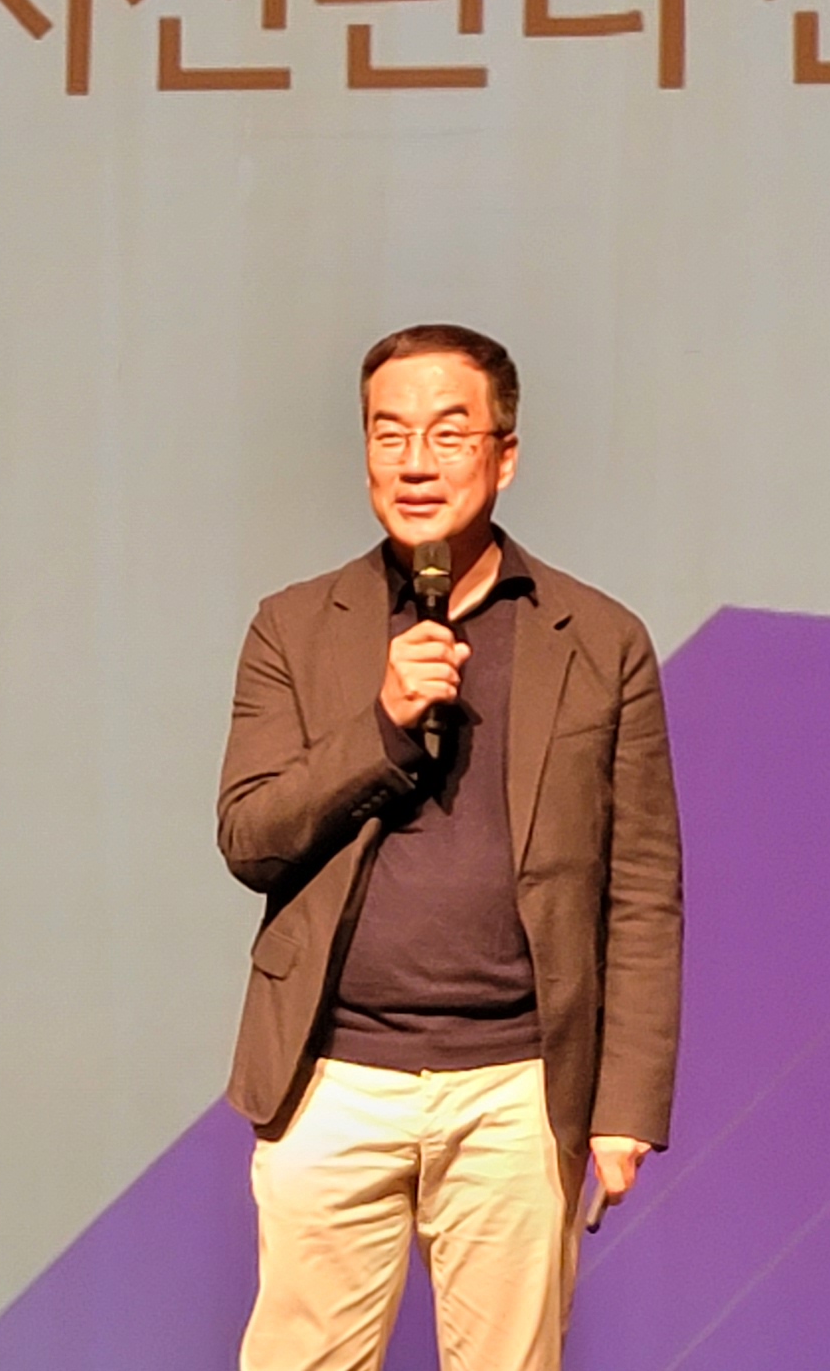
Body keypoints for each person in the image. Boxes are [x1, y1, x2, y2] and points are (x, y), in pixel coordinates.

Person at [216, 324, 684, 1371]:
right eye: (389, 434)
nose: (415, 462)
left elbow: (642, 890)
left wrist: (625, 1105)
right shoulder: (295, 627)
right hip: (331, 1077)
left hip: (518, 1086)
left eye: (447, 433)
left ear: (503, 456)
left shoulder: (599, 638)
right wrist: (381, 724)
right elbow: (250, 835)